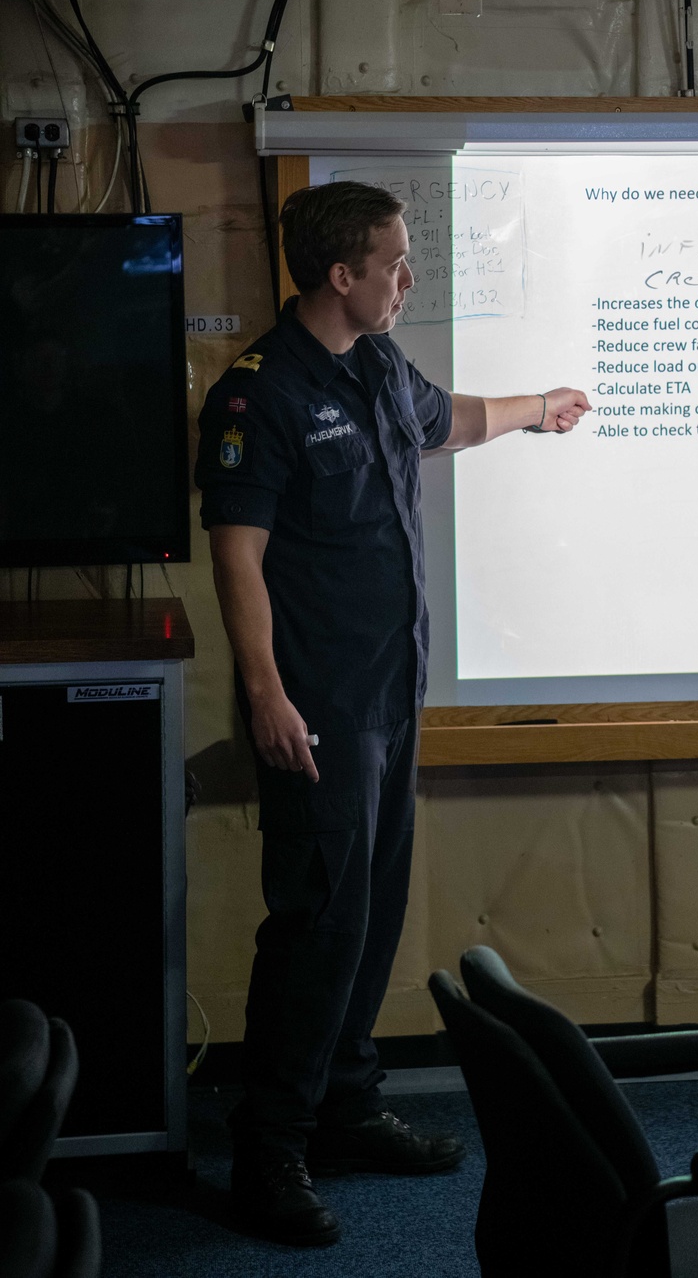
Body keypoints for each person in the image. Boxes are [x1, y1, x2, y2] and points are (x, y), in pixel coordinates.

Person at [195, 180, 590, 1247]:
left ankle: (344, 1105)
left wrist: (533, 409)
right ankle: (268, 1149)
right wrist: (268, 694)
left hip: (388, 694)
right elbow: (238, 555)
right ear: (343, 276)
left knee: (365, 913)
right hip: (316, 707)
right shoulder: (259, 394)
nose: (407, 278)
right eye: (396, 263)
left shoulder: (375, 364)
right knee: (318, 920)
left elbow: (447, 420)